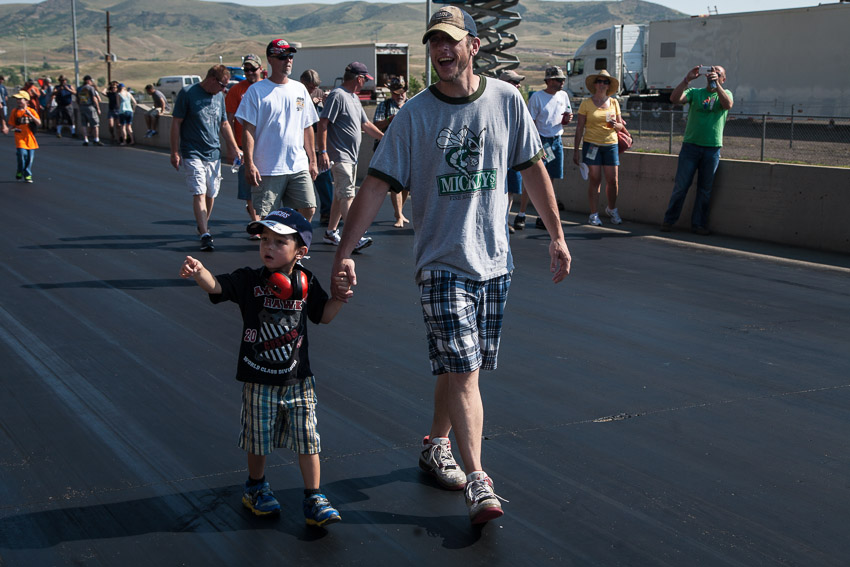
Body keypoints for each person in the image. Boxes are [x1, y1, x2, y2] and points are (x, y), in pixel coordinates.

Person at [330, 5, 571, 525]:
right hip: (440, 262)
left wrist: (556, 235)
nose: (441, 50)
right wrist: (343, 251)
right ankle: (480, 479)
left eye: (450, 41)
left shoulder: (506, 101)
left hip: (495, 262)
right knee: (463, 369)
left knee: (460, 364)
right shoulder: (414, 114)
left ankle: (435, 443)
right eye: (434, 42)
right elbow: (375, 184)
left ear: (472, 46)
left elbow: (531, 170)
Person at [179, 207, 350, 527]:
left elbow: (322, 315)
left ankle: (314, 496)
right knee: (258, 440)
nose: (268, 247)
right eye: (264, 240)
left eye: (278, 242)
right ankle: (255, 487)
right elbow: (218, 287)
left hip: (298, 379)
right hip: (258, 379)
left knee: (308, 440)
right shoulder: (248, 279)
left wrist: (339, 298)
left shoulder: (307, 281)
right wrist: (201, 271)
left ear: (301, 251)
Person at [235, 40, 319, 223]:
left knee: (308, 208)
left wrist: (313, 161)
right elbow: (248, 130)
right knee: (268, 218)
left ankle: (294, 247)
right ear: (270, 60)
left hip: (297, 164)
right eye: (282, 57)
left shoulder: (300, 89)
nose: (287, 60)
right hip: (267, 168)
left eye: (290, 56)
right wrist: (249, 164)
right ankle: (275, 250)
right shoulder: (256, 92)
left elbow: (307, 127)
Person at [170, 64, 240, 252]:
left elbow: (224, 123)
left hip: (213, 153)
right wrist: (175, 151)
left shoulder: (219, 97)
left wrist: (233, 148)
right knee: (199, 191)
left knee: (211, 193)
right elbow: (176, 123)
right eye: (222, 84)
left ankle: (203, 225)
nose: (224, 89)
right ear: (211, 80)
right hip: (192, 151)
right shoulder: (188, 93)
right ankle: (205, 233)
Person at [316, 61, 384, 251]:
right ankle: (354, 237)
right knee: (347, 196)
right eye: (365, 79)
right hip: (340, 156)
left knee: (340, 196)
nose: (365, 83)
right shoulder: (338, 96)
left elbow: (366, 125)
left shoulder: (353, 98)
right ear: (359, 78)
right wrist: (322, 151)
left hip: (351, 157)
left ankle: (331, 233)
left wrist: (385, 138)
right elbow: (323, 123)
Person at [660, 65, 733, 235]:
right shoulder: (695, 93)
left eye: (718, 74)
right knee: (681, 186)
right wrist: (687, 80)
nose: (713, 76)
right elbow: (674, 99)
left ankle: (698, 224)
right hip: (691, 147)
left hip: (712, 148)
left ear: (724, 79)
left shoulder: (726, 93)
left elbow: (727, 105)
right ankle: (669, 220)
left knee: (705, 190)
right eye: (711, 74)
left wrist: (717, 86)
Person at [573, 69, 624, 226]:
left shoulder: (614, 103)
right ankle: (594, 213)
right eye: (600, 81)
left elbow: (621, 126)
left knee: (613, 180)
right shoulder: (586, 103)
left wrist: (617, 125)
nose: (602, 84)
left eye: (606, 82)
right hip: (592, 144)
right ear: (595, 84)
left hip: (610, 144)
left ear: (609, 86)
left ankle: (612, 209)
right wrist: (576, 150)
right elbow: (580, 127)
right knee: (595, 179)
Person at [526, 66, 573, 230]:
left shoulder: (564, 96)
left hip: (556, 139)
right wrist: (537, 144)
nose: (562, 83)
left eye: (563, 80)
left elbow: (566, 117)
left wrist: (567, 118)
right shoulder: (537, 98)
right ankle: (525, 212)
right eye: (559, 80)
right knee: (537, 177)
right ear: (549, 80)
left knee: (551, 178)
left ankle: (544, 216)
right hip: (542, 139)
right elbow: (530, 123)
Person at [225, 53, 263, 232]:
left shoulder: (268, 87)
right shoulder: (236, 90)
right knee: (249, 184)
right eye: (246, 69)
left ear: (261, 69)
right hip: (245, 147)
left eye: (252, 69)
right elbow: (229, 120)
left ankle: (264, 219)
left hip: (266, 146)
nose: (249, 72)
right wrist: (232, 147)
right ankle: (256, 222)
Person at [372, 76, 409, 228]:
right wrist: (390, 120)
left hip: (408, 147)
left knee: (406, 185)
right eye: (396, 93)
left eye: (403, 92)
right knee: (396, 183)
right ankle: (399, 215)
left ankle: (399, 211)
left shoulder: (411, 104)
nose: (400, 96)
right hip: (390, 148)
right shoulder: (384, 106)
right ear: (391, 93)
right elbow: (376, 125)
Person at [300, 69, 333, 226]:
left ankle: (328, 211)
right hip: (301, 146)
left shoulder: (319, 93)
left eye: (315, 87)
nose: (313, 90)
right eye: (310, 87)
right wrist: (310, 105)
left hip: (317, 146)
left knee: (324, 180)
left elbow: (325, 121)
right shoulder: (298, 93)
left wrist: (326, 103)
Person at [498, 69, 525, 234]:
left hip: (513, 155)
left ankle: (504, 221)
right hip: (498, 156)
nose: (518, 85)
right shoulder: (492, 102)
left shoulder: (518, 103)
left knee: (511, 189)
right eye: (514, 82)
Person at [8, 90, 40, 183]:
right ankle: (20, 171)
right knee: (21, 155)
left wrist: (30, 115)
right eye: (17, 100)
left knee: (30, 158)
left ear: (26, 100)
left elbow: (38, 123)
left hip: (30, 138)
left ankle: (27, 174)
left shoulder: (31, 111)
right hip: (19, 138)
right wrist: (7, 128)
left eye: (20, 99)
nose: (18, 101)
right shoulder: (15, 111)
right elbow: (12, 124)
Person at [77, 75, 103, 146]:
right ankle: (96, 139)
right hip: (90, 107)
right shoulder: (90, 88)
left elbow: (77, 99)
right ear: (88, 81)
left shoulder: (80, 89)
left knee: (84, 124)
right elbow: (94, 98)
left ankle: (86, 139)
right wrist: (98, 108)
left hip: (82, 107)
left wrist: (80, 107)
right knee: (95, 124)